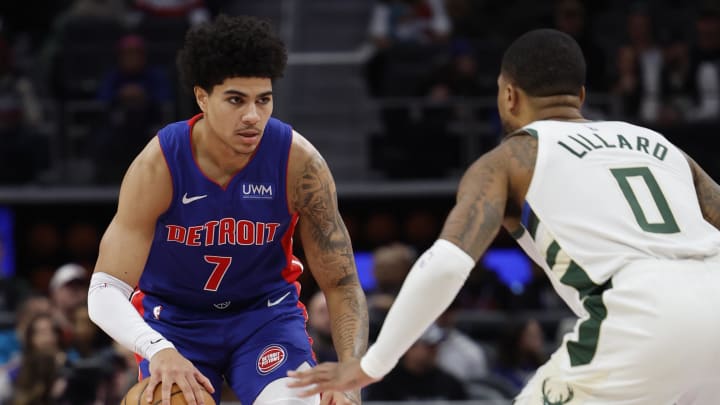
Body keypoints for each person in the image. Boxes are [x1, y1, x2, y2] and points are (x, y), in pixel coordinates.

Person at [288, 28, 720, 404]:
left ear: (508, 94)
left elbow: (447, 264)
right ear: (582, 97)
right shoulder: (658, 143)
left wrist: (373, 363)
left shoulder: (511, 158)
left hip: (643, 314)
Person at [87, 15, 368, 405]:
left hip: (264, 318)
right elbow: (104, 289)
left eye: (263, 100)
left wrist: (349, 375)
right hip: (177, 324)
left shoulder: (298, 163)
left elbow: (342, 283)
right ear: (203, 97)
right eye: (236, 100)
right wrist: (157, 348)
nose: (252, 115)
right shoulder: (159, 164)